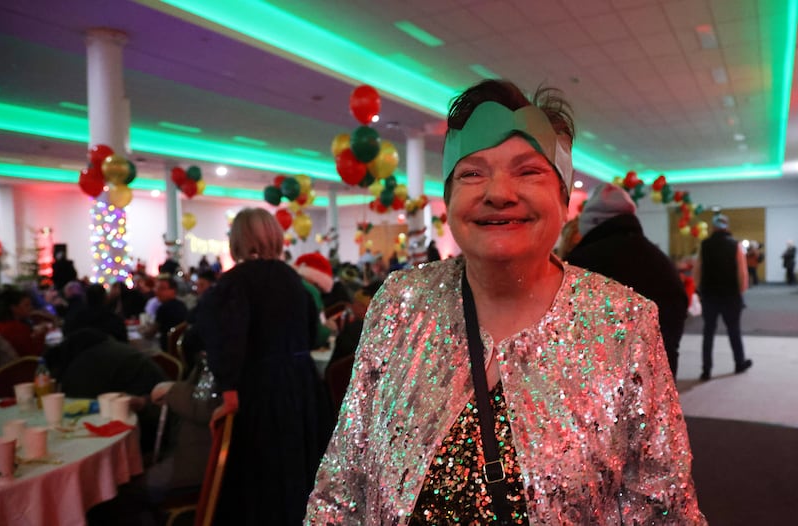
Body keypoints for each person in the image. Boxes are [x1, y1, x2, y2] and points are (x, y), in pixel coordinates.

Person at [306, 79, 705, 524]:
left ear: (563, 197)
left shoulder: (624, 324)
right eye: (472, 173)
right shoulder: (400, 304)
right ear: (449, 198)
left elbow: (665, 512)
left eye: (528, 171)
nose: (498, 192)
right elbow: (341, 491)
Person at [196, 208, 333, 525]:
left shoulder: (235, 283)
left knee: (261, 480)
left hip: (259, 389)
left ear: (237, 240)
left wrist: (228, 389)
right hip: (302, 386)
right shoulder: (294, 280)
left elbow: (227, 339)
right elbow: (312, 334)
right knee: (298, 474)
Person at [566, 183, 688, 378]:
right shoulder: (660, 262)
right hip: (658, 378)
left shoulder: (581, 263)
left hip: (599, 383)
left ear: (589, 223)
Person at [695, 214, 752, 381]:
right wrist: (741, 291)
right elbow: (742, 272)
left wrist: (699, 289)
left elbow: (698, 269)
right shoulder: (735, 245)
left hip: (709, 295)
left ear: (713, 227)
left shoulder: (704, 245)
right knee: (734, 330)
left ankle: (706, 369)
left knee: (708, 332)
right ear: (727, 226)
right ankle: (739, 363)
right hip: (730, 295)